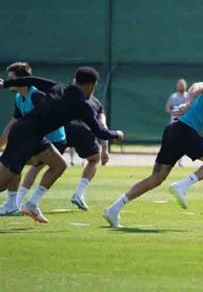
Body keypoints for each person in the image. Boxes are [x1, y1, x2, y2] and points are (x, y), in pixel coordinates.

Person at [101, 62, 203, 229]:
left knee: (156, 178)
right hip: (184, 131)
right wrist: (188, 102)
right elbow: (197, 86)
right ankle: (181, 186)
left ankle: (113, 209)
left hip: (175, 131)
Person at [0, 67, 124, 224]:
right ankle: (18, 203)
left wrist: (6, 84)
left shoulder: (59, 87)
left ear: (75, 81)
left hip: (33, 136)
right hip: (24, 138)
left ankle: (31, 204)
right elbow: (100, 132)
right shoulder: (82, 105)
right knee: (2, 183)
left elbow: (32, 80)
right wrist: (117, 134)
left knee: (59, 165)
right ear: (91, 86)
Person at [0, 62, 67, 215]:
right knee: (14, 166)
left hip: (52, 141)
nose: (9, 81)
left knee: (15, 164)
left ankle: (23, 203)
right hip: (35, 141)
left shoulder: (37, 96)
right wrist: (3, 139)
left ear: (22, 80)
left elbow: (51, 119)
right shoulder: (19, 97)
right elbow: (15, 119)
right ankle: (14, 204)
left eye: (12, 78)